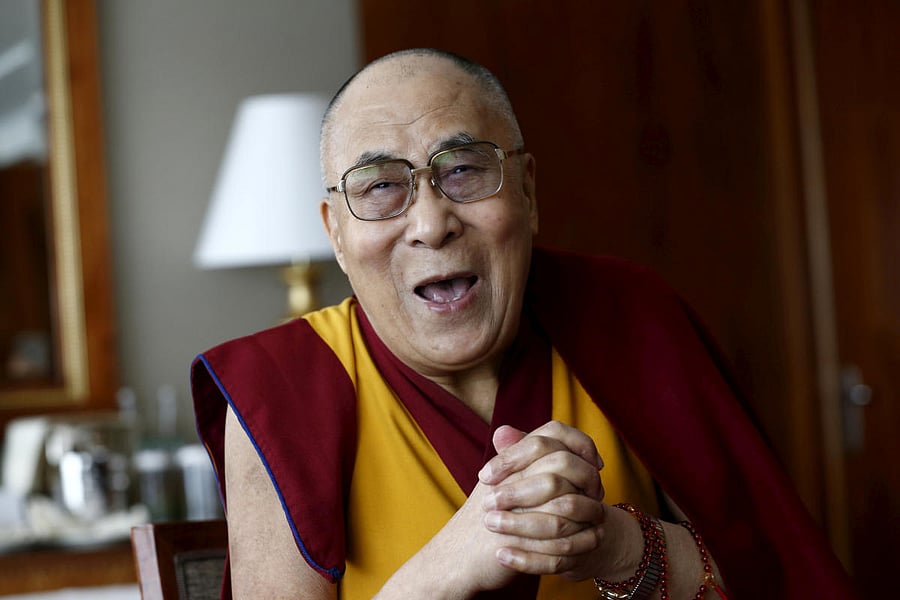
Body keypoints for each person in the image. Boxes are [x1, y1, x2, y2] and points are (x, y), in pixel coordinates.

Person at [191, 48, 857, 599]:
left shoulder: (625, 315)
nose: (430, 222)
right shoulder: (282, 387)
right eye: (380, 187)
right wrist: (440, 574)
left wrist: (618, 544)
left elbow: (774, 578)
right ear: (335, 232)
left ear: (529, 193)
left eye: (463, 170)